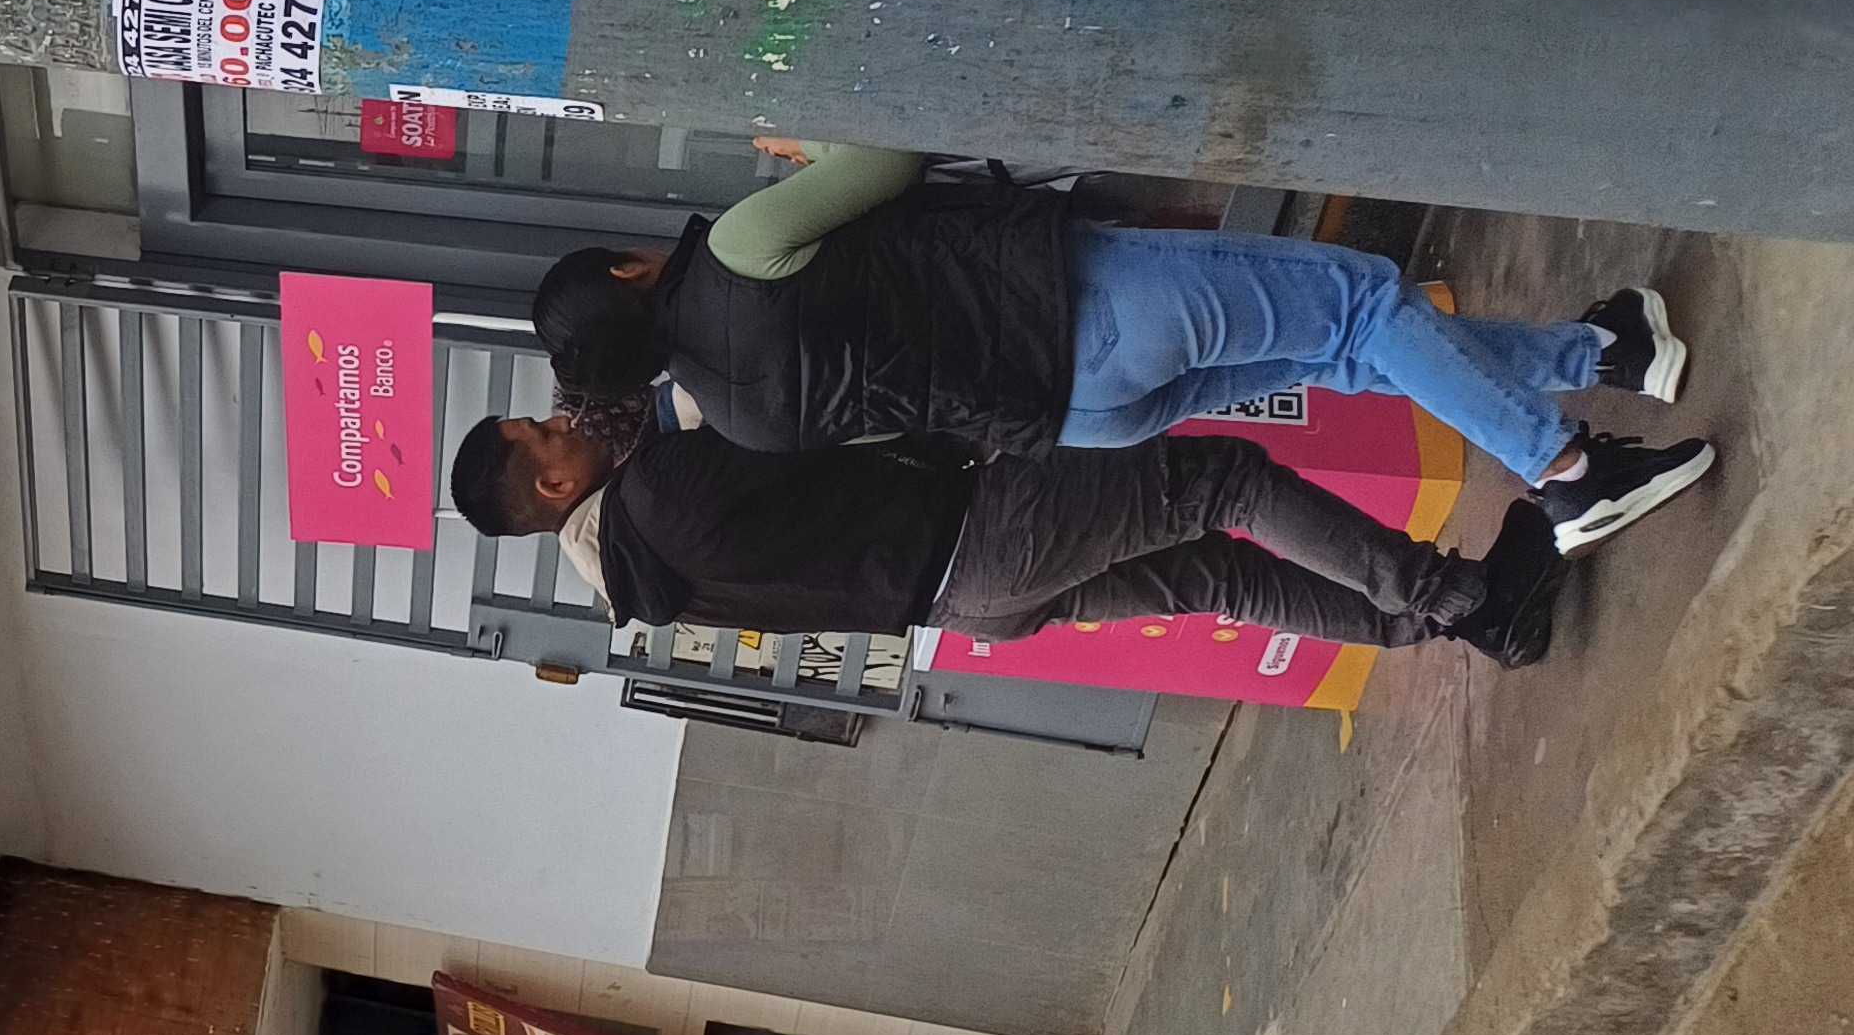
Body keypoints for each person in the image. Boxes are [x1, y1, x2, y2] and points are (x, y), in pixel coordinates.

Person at [526, 139, 1712, 553]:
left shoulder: (739, 419)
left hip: (1069, 418)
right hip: (1081, 305)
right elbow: (886, 159)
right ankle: (1564, 471)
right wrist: (807, 147)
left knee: (1342, 352)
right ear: (629, 275)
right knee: (1359, 304)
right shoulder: (737, 250)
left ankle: (1599, 356)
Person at [445, 411, 1568, 667]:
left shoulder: (638, 577)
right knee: (1218, 480)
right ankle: (1461, 600)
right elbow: (816, 432)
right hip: (986, 529)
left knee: (1216, 575)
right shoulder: (663, 485)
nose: (567, 420)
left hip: (964, 607)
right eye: (548, 432)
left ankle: (1423, 626)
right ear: (552, 483)